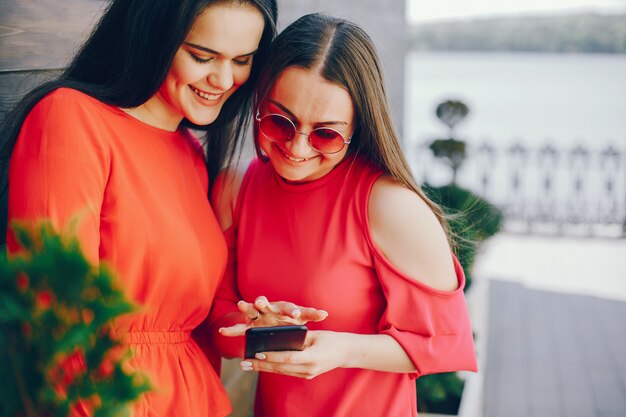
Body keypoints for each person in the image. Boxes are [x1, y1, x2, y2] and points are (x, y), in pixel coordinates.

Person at [2, 0, 277, 415]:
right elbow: (54, 321)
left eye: (242, 60)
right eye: (202, 56)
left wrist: (264, 330)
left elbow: (200, 327)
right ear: (154, 37)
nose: (223, 79)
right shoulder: (70, 119)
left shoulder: (191, 155)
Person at [206, 13, 478, 417]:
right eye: (281, 122)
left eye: (326, 134)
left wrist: (343, 349)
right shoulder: (236, 189)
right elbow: (219, 326)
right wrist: (257, 331)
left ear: (358, 128)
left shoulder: (388, 205)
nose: (297, 148)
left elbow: (447, 343)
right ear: (259, 100)